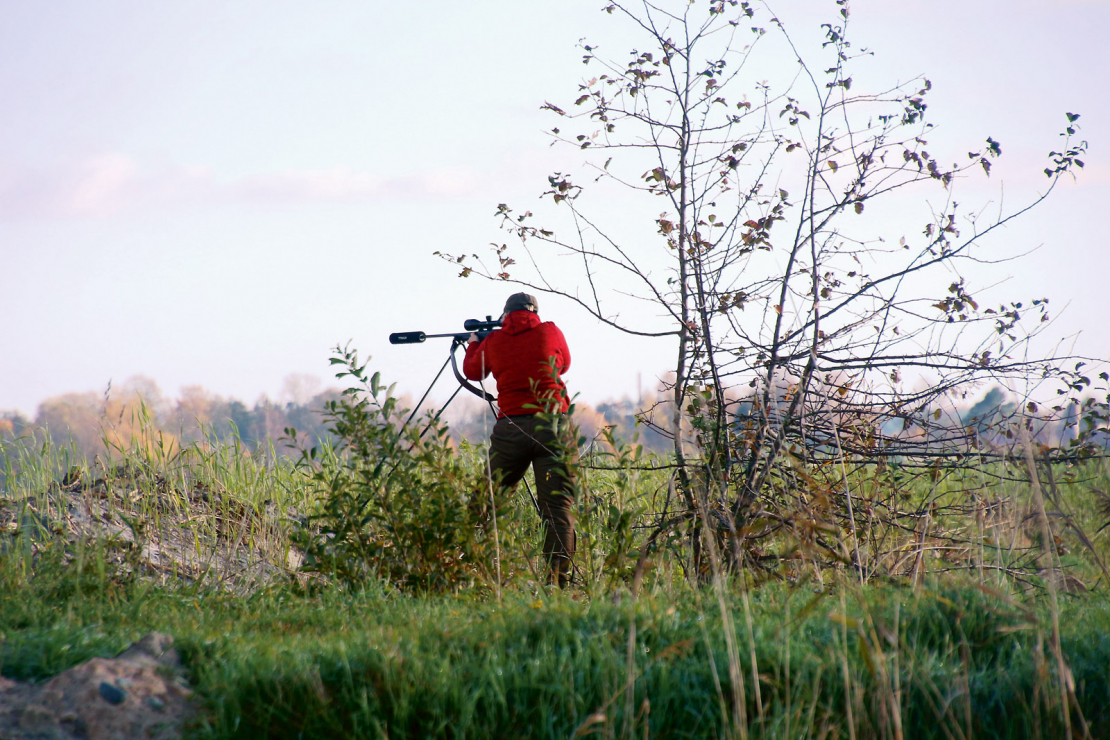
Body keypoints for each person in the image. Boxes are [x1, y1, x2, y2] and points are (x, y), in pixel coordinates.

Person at [463, 292, 577, 587]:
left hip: (512, 429)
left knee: (486, 499)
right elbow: (563, 365)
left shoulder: (494, 341)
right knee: (557, 508)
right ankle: (557, 584)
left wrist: (475, 342)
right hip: (554, 428)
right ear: (535, 312)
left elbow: (473, 371)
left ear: (506, 314)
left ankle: (466, 567)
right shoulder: (550, 331)